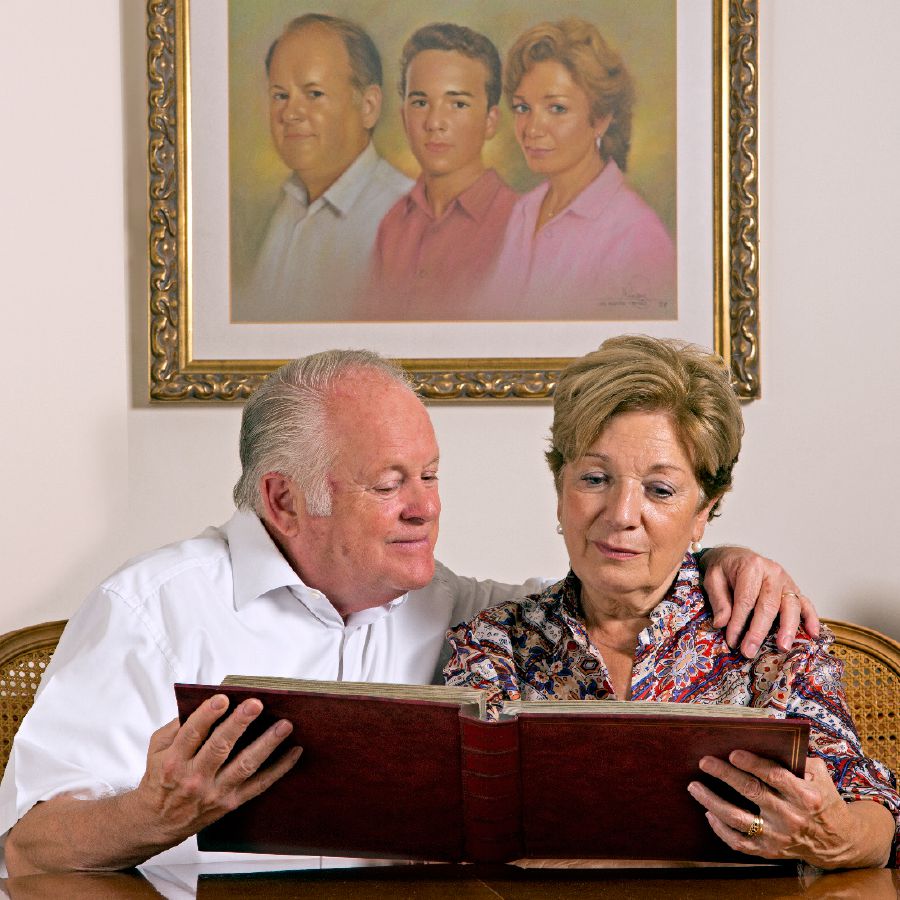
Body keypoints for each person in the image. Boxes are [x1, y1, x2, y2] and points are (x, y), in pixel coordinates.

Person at [0, 349, 814, 875]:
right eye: (390, 485)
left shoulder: (460, 612)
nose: (425, 508)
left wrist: (722, 561)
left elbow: (609, 588)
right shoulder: (151, 611)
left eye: (431, 476)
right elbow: (26, 849)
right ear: (284, 500)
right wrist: (156, 814)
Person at [445, 335, 900, 869]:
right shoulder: (492, 643)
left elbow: (877, 815)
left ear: (704, 512)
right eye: (595, 479)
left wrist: (839, 839)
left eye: (660, 490)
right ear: (559, 487)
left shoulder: (770, 637)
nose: (621, 514)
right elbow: (467, 830)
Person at [481, 19, 676, 321]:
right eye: (522, 108)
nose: (532, 128)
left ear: (600, 118)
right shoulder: (525, 210)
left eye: (556, 108)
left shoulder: (636, 235)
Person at [236, 14, 412, 322]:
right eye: (280, 95)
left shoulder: (408, 218)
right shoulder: (287, 205)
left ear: (368, 107)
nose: (290, 113)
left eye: (314, 94)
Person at [360, 23, 517, 320]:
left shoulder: (517, 224)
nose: (434, 122)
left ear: (490, 121)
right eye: (420, 102)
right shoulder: (393, 224)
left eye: (457, 104)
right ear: (404, 116)